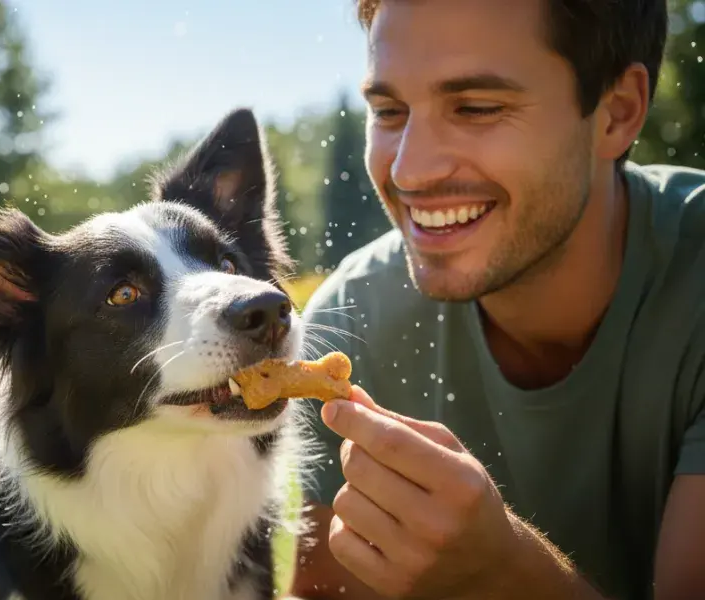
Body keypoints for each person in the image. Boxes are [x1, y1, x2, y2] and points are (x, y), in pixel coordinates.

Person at [284, 0, 705, 598]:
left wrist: (503, 575)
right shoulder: (351, 329)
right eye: (389, 111)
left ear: (617, 112)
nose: (410, 170)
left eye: (477, 108)